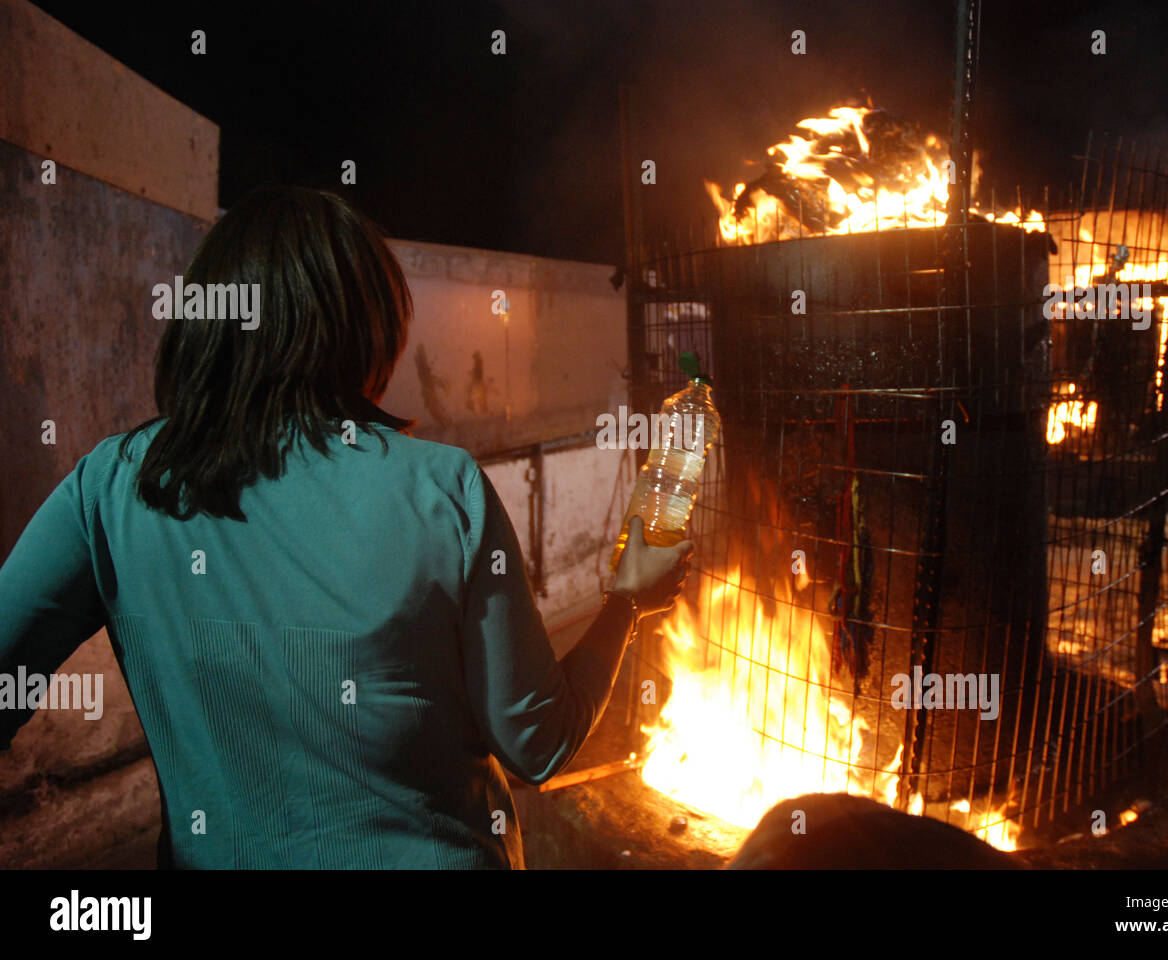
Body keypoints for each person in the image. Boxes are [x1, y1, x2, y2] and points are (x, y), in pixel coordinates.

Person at [0, 186, 692, 869]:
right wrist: (628, 600)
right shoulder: (442, 489)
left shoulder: (110, 487)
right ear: (367, 329)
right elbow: (539, 741)